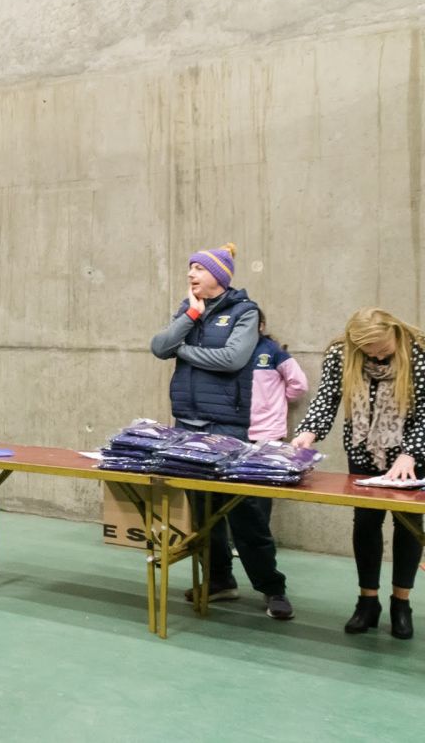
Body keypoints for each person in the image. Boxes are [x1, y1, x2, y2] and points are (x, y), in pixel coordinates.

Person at [149, 243, 293, 619]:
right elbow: (159, 346)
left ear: (220, 275)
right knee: (203, 512)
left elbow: (232, 359)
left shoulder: (244, 311)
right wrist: (191, 316)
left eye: (198, 268)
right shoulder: (189, 310)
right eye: (189, 268)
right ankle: (219, 581)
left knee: (243, 512)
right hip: (186, 423)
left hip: (227, 425)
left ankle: (272, 588)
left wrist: (184, 352)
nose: (190, 274)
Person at [292, 307, 425, 639]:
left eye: (382, 349)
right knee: (366, 522)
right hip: (363, 447)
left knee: (408, 524)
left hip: (410, 454)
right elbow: (327, 398)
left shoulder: (419, 352)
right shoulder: (341, 352)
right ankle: (367, 602)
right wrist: (309, 432)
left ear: (394, 333)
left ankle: (401, 603)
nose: (376, 356)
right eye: (368, 351)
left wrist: (410, 453)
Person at [248, 310, 309, 443]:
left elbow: (299, 384)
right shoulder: (230, 352)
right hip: (236, 429)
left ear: (261, 326)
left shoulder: (274, 351)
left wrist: (277, 400)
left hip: (268, 431)